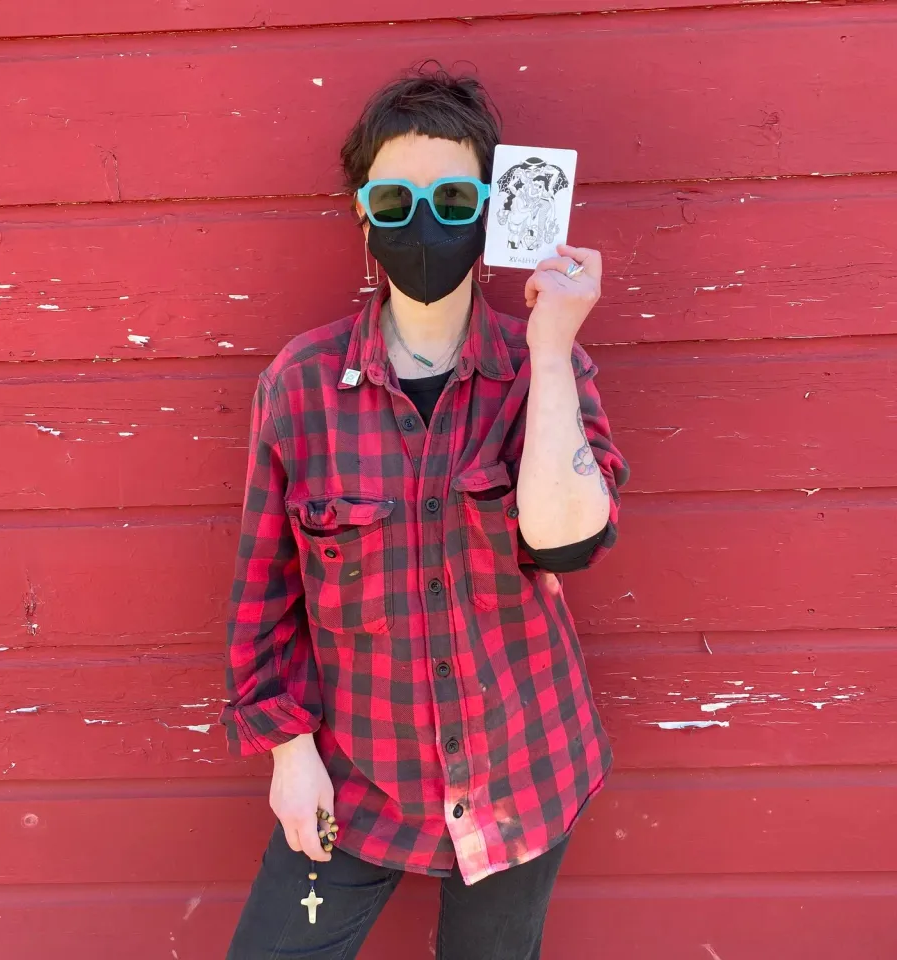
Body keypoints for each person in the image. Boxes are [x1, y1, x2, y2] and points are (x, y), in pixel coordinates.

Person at [220, 64, 630, 960]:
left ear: (489, 210)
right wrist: (288, 755)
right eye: (393, 199)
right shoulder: (301, 384)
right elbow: (264, 586)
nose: (423, 222)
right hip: (358, 777)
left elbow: (566, 542)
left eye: (452, 196)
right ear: (364, 217)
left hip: (523, 775)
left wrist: (553, 348)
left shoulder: (540, 372)